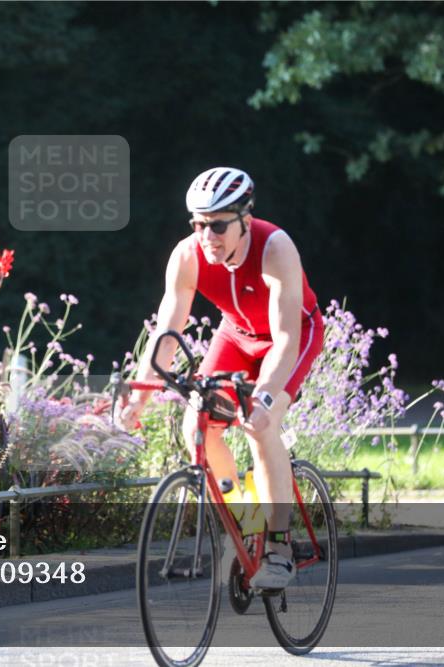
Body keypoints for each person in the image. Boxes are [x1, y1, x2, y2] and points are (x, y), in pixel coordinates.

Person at [115, 167, 324, 589]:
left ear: (245, 219)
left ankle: (279, 547)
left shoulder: (274, 248)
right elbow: (166, 334)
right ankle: (247, 522)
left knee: (258, 425)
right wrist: (142, 394)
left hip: (290, 337)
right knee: (197, 423)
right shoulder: (187, 256)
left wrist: (265, 398)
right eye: (198, 224)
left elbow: (285, 337)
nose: (206, 235)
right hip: (237, 335)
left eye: (217, 225)